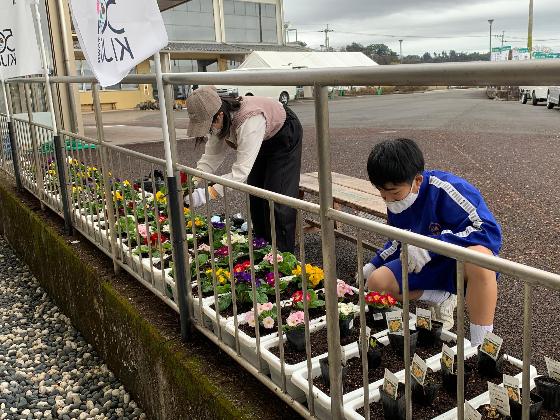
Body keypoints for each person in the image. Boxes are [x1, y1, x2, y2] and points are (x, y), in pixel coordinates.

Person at [362, 138, 502, 347]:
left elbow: (489, 232)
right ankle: (442, 296)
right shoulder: (397, 202)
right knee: (377, 283)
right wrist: (374, 264)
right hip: (424, 262)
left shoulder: (447, 189)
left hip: (458, 262)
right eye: (383, 195)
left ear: (417, 181)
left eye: (394, 194)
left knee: (480, 260)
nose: (389, 201)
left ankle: (481, 346)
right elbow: (396, 240)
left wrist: (432, 246)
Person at [184, 86, 303, 253]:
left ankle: (284, 257)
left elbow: (240, 173)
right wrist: (191, 183)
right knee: (255, 194)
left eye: (208, 125)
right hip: (261, 137)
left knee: (277, 198)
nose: (209, 130)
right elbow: (211, 158)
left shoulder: (249, 120)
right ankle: (264, 252)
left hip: (283, 134)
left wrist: (207, 194)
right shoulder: (220, 120)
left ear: (219, 115)